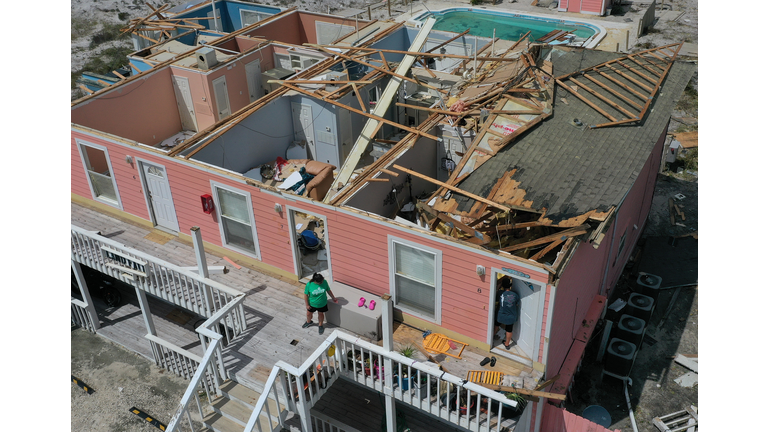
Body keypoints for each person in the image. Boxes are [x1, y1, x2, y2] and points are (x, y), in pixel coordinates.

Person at [495, 278, 520, 350]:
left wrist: (498, 287)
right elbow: (517, 304)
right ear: (510, 285)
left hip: (501, 315)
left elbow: (495, 297)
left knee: (496, 325)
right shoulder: (515, 294)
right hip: (511, 316)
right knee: (509, 329)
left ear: (502, 285)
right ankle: (507, 344)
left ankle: (492, 336)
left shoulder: (500, 293)